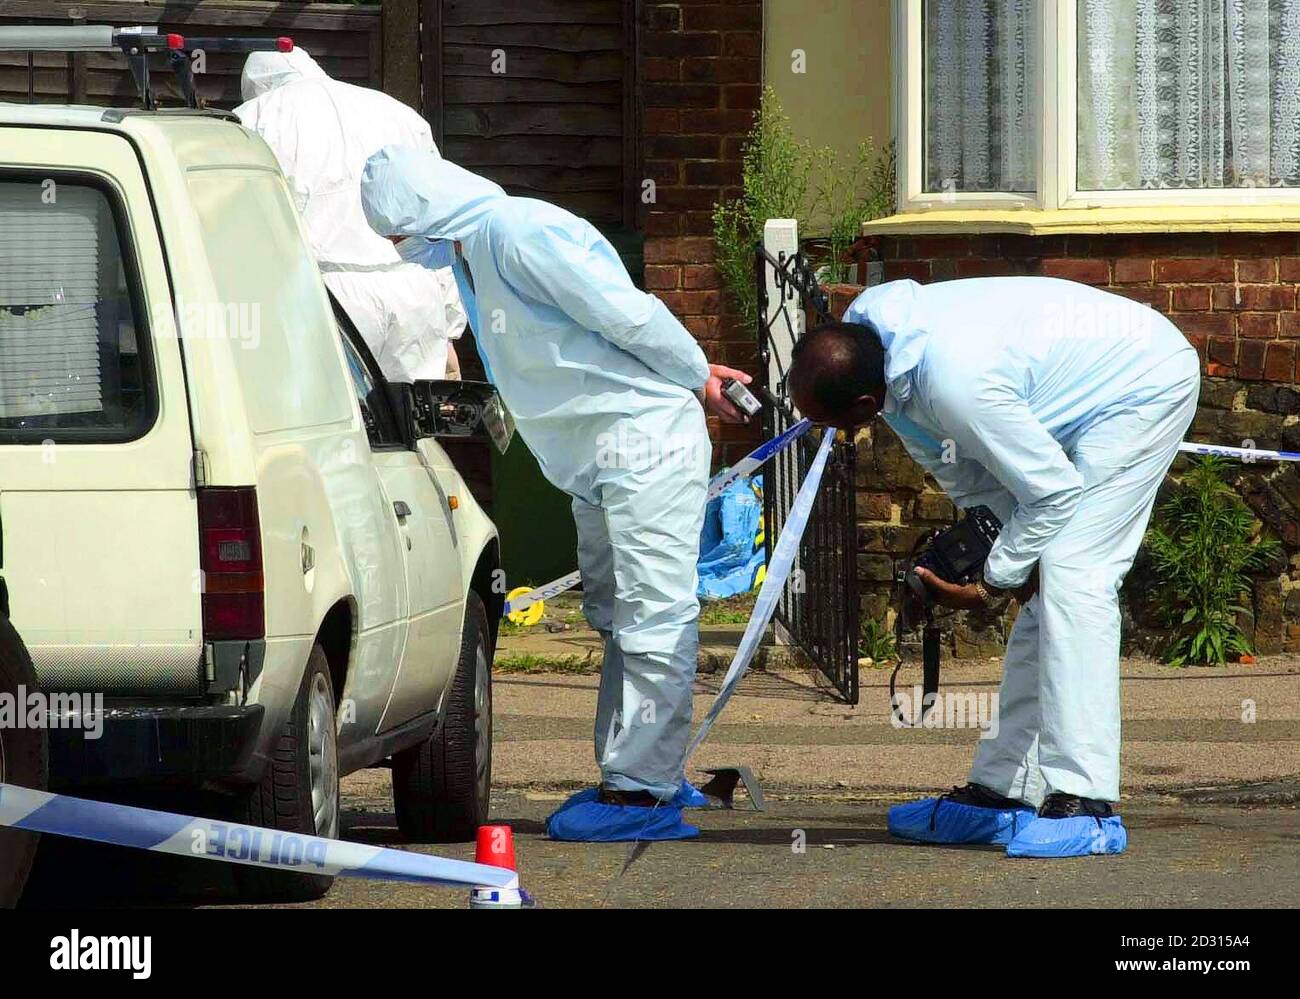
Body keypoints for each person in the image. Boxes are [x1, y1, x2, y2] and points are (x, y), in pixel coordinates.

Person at [359, 148, 755, 841]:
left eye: (396, 230)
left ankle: (644, 793)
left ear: (421, 208)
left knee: (653, 612)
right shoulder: (475, 251)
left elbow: (625, 314)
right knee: (616, 612)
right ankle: (633, 771)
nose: (398, 247)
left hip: (644, 441)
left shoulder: (518, 233)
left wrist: (697, 375)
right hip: (601, 458)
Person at [788, 276, 1200, 858]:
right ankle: (1005, 791)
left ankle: (1086, 801)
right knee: (1046, 581)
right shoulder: (878, 357)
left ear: (861, 405)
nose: (831, 435)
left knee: (1075, 575)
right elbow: (973, 479)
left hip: (1140, 382)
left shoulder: (956, 383)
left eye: (833, 424)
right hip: (1058, 396)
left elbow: (1052, 494)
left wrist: (993, 581)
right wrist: (1007, 555)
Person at [235, 48, 465, 382]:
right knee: (411, 424)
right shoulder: (400, 114)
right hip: (415, 291)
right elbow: (435, 218)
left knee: (328, 424)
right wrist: (449, 324)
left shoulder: (251, 119)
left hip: (323, 296)